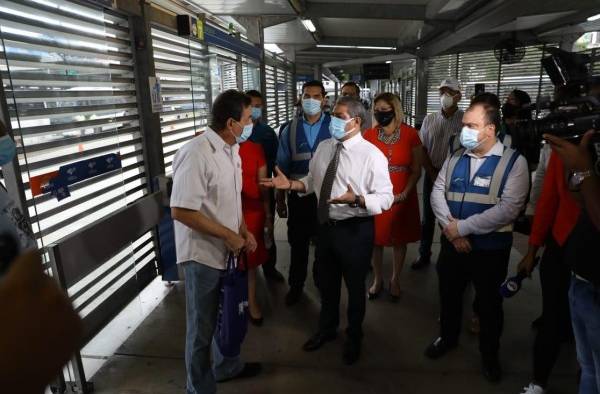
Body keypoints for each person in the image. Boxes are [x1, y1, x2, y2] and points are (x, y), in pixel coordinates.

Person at [262, 96, 393, 365]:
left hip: (355, 230)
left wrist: (357, 199)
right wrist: (293, 186)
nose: (332, 120)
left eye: (339, 116)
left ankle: (354, 336)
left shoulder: (372, 156)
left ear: (356, 122)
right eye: (333, 114)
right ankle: (327, 329)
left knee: (355, 289)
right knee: (327, 284)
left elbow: (386, 198)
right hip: (325, 228)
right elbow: (312, 180)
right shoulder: (324, 147)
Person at [426, 101, 529, 383]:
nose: (464, 131)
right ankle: (447, 339)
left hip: (490, 252)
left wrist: (462, 229)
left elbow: (508, 209)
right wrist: (451, 229)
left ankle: (489, 356)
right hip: (452, 245)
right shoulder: (456, 156)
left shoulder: (513, 162)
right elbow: (437, 192)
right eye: (464, 126)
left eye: (471, 126)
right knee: (448, 297)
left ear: (490, 129)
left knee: (489, 307)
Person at [170, 90, 262, 394]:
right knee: (201, 330)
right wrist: (227, 235)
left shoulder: (230, 148)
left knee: (226, 318)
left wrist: (243, 230)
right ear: (232, 121)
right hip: (202, 256)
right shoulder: (196, 153)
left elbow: (230, 199)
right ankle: (198, 388)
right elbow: (181, 210)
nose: (251, 124)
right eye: (248, 119)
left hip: (228, 252)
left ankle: (226, 367)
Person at [517, 151, 580, 394]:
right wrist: (532, 250)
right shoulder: (565, 150)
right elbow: (548, 201)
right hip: (562, 245)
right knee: (552, 319)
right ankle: (538, 381)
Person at [545, 130, 600, 394]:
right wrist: (578, 171)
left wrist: (586, 171)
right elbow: (582, 199)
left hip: (595, 288)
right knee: (587, 368)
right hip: (581, 279)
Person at [276, 80, 332, 306]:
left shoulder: (335, 126)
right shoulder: (289, 129)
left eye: (316, 96)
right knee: (297, 244)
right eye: (307, 96)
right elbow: (281, 167)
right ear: (300, 98)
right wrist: (280, 201)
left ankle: (321, 283)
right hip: (298, 198)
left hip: (327, 199)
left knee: (324, 245)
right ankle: (296, 286)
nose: (311, 100)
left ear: (324, 100)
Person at [363, 93, 423, 301]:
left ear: (395, 110)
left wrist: (406, 192)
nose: (380, 114)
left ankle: (395, 278)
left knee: (399, 238)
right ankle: (378, 278)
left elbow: (416, 169)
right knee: (376, 239)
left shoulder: (411, 134)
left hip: (402, 192)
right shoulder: (369, 135)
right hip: (377, 193)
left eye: (385, 110)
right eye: (377, 110)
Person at [412, 77, 464, 270]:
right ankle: (424, 254)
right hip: (431, 174)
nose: (445, 96)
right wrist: (432, 173)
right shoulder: (429, 119)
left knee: (451, 218)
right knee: (428, 218)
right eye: (442, 91)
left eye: (449, 92)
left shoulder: (465, 120)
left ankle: (449, 257)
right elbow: (422, 149)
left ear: (458, 96)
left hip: (456, 178)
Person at [246, 89, 284, 282]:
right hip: (242, 192)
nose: (255, 110)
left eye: (258, 106)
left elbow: (276, 165)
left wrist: (278, 196)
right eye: (251, 106)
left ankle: (270, 268)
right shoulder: (236, 131)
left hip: (264, 188)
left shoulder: (267, 134)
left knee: (267, 231)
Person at [239, 127, 270, 326]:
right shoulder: (213, 147)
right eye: (246, 118)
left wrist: (268, 217)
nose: (250, 123)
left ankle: (251, 301)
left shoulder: (255, 149)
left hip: (252, 211)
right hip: (225, 212)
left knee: (250, 261)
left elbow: (263, 185)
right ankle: (230, 300)